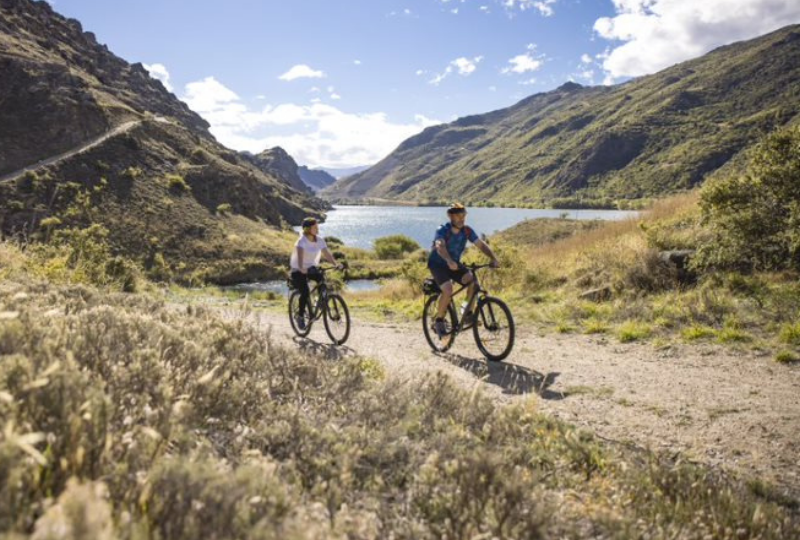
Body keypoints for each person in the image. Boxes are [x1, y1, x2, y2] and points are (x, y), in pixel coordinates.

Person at [428, 203, 499, 338]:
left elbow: (481, 245)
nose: (462, 219)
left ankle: (466, 313)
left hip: (454, 263)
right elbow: (440, 246)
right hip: (438, 263)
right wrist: (448, 260)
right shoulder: (443, 230)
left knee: (472, 282)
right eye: (458, 216)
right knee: (448, 290)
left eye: (464, 215)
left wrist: (493, 258)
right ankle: (439, 320)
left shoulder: (466, 231)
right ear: (451, 216)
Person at [290, 217, 340, 329]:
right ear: (308, 229)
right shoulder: (301, 241)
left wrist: (335, 264)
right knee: (305, 292)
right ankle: (301, 316)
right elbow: (299, 257)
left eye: (317, 226)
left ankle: (321, 303)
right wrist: (302, 268)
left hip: (311, 267)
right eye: (315, 227)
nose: (317, 229)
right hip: (298, 269)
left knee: (321, 280)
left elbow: (327, 254)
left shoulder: (320, 240)